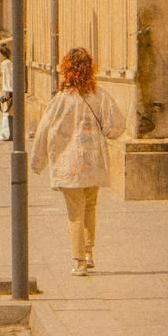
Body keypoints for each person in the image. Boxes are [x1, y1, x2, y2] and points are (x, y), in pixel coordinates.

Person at [31, 46, 125, 277]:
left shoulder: (61, 100)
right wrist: (105, 133)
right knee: (90, 208)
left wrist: (37, 161)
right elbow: (116, 126)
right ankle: (89, 253)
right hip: (93, 163)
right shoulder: (100, 95)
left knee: (75, 213)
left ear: (67, 70)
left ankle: (79, 261)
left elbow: (44, 129)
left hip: (69, 165)